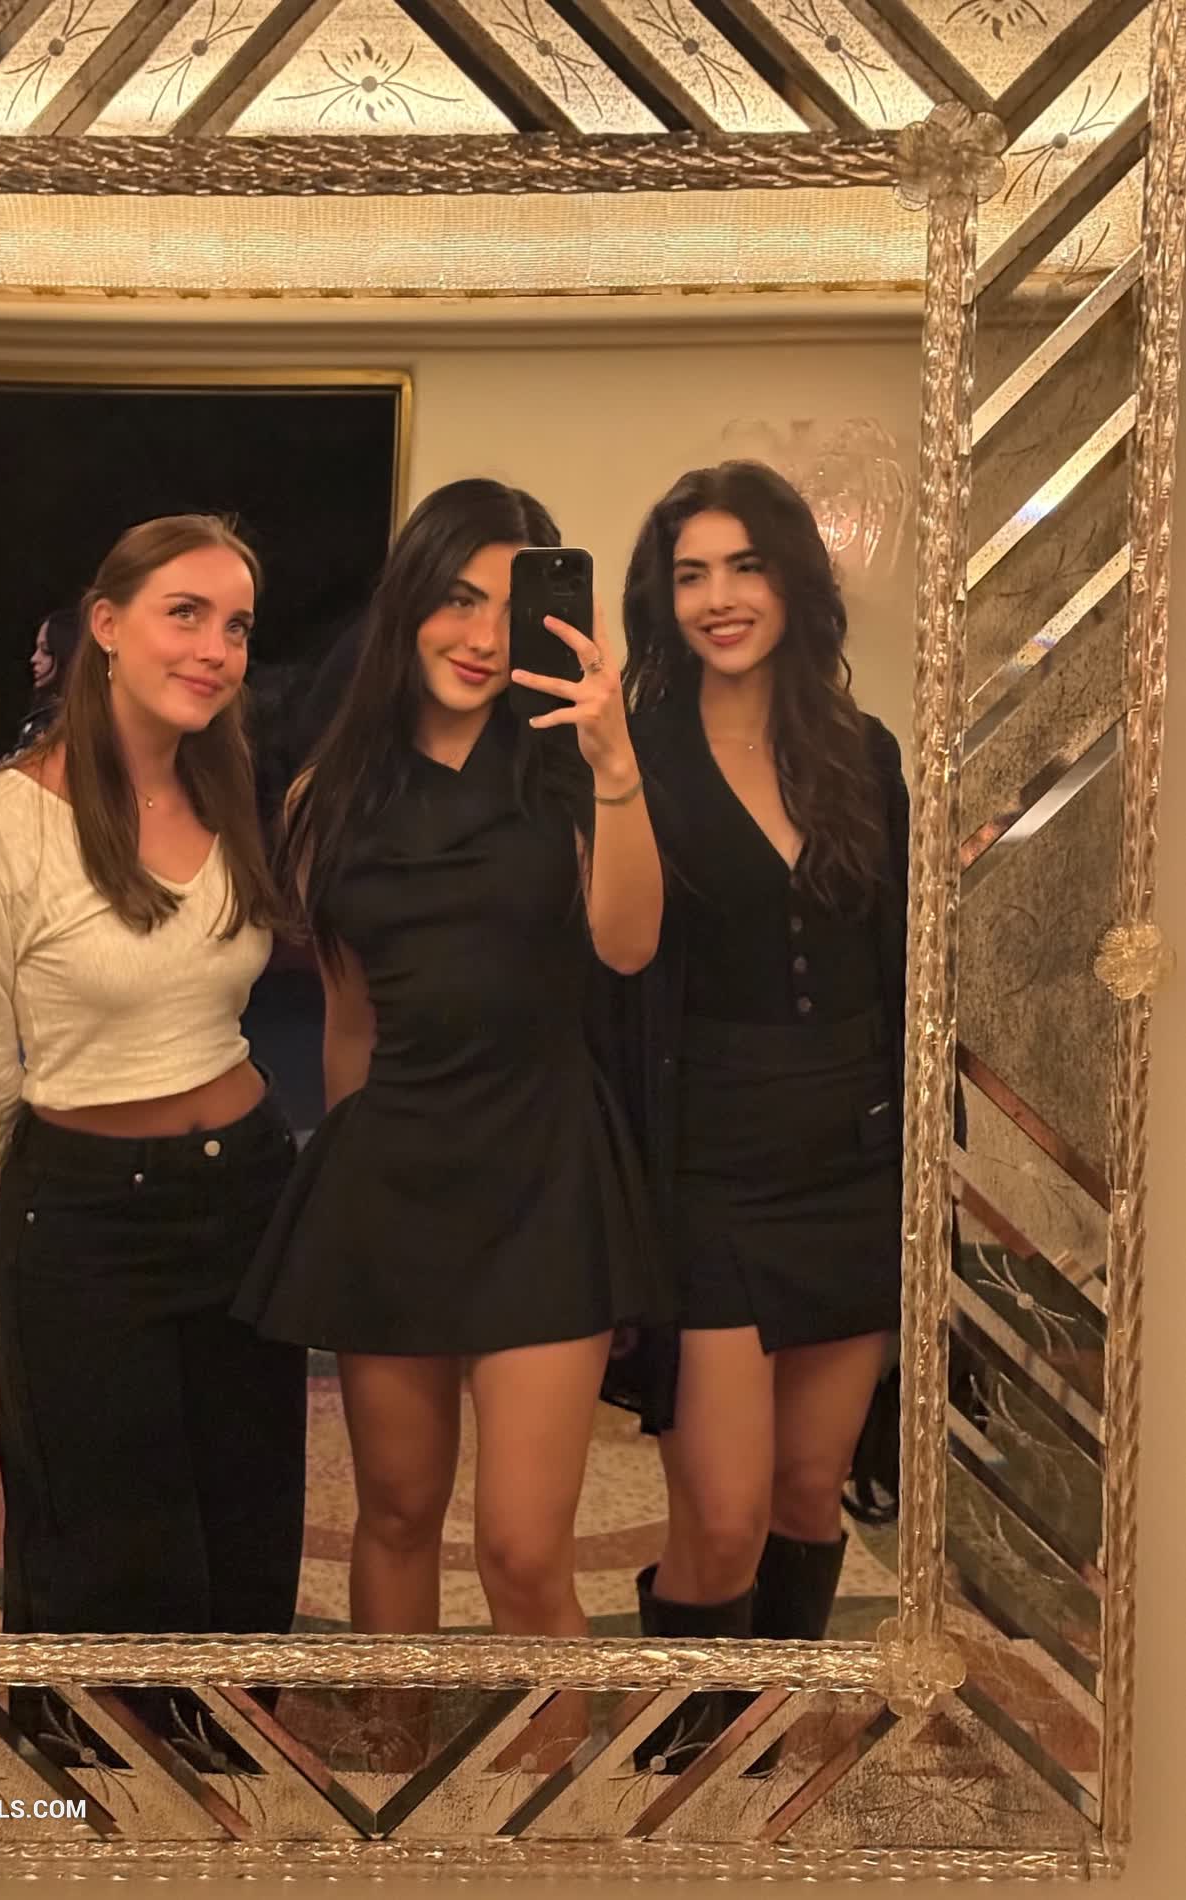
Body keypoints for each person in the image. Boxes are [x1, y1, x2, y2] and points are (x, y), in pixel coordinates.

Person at [235, 478, 667, 1653]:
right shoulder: (330, 796)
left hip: (544, 1174)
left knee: (524, 1549)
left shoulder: (573, 772)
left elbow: (630, 943)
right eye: (456, 598)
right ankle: (399, 1750)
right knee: (396, 1512)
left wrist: (617, 762)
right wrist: (356, 1192)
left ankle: (554, 1775)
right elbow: (349, 1022)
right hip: (394, 1177)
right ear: (409, 603)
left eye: (506, 607)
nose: (480, 635)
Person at [0, 515, 308, 1681]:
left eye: (237, 626)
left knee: (245, 1506)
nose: (216, 648)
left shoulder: (223, 794)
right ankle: (102, 1773)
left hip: (248, 1194)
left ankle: (227, 1754)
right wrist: (41, 1181)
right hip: (85, 1214)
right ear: (108, 625)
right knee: (104, 1530)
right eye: (186, 613)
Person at [605, 463, 910, 1772]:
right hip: (711, 1169)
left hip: (852, 1159)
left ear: (793, 579)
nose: (719, 597)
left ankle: (764, 1741)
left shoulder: (862, 751)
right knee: (721, 1519)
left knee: (804, 1491)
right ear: (661, 599)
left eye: (743, 566)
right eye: (690, 574)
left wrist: (925, 1166)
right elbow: (616, 959)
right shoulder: (633, 752)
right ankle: (690, 1750)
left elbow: (900, 968)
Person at [14, 605, 82, 753]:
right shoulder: (45, 711)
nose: (34, 659)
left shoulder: (70, 722)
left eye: (46, 651)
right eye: (36, 649)